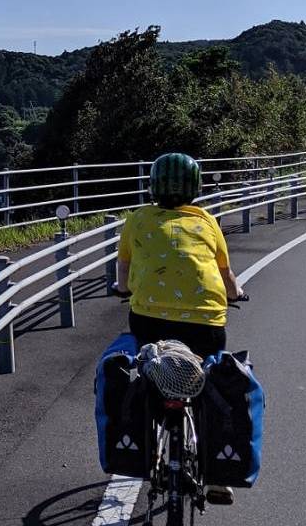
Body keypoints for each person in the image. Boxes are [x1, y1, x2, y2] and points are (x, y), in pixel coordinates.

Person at [113, 152, 244, 505]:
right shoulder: (207, 222)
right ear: (196, 188)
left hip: (149, 320)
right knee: (211, 380)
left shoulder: (137, 219)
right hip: (205, 324)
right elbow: (227, 276)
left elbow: (123, 271)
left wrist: (123, 290)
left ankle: (144, 440)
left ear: (153, 185)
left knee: (147, 369)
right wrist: (237, 293)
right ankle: (218, 475)